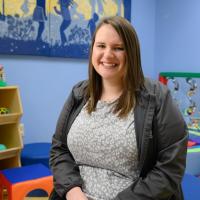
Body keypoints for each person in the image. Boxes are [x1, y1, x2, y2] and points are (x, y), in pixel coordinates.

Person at [49, 16, 188, 200]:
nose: (107, 55)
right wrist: (73, 192)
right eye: (101, 46)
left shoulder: (158, 98)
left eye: (118, 48)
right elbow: (59, 149)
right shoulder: (79, 93)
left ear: (131, 53)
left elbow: (170, 169)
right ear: (92, 50)